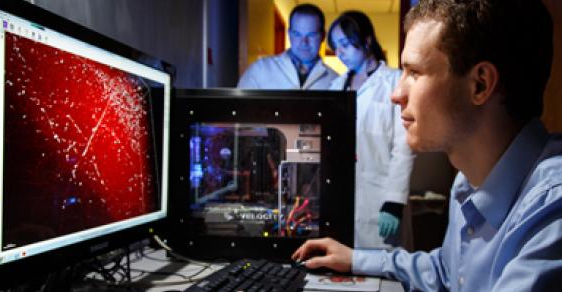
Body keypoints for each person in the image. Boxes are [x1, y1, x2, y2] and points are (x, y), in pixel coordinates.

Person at [292, 0, 561, 290]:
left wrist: (392, 202)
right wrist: (356, 259)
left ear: (480, 85)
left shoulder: (550, 210)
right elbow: (446, 271)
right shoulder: (468, 182)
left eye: (415, 73)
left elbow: (400, 151)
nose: (396, 94)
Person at [327, 11, 414, 249]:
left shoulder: (394, 82)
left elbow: (404, 146)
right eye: (336, 46)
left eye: (345, 44)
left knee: (383, 273)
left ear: (366, 40)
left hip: (381, 196)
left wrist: (394, 201)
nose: (339, 53)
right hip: (343, 194)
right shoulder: (336, 85)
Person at [237, 4, 337, 89]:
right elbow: (238, 106)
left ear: (323, 36)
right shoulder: (260, 69)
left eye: (311, 35)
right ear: (289, 34)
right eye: (297, 34)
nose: (304, 42)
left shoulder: (335, 81)